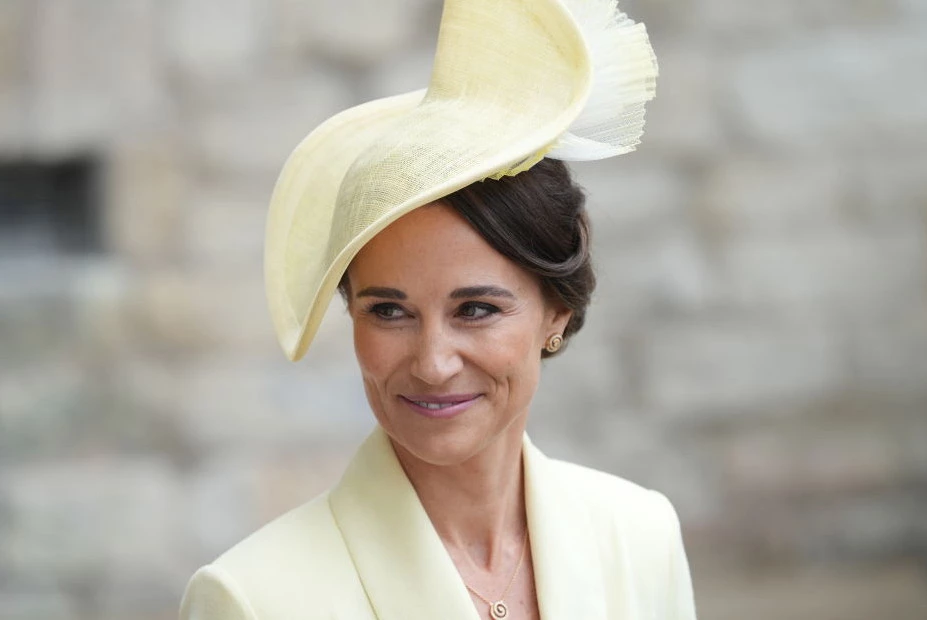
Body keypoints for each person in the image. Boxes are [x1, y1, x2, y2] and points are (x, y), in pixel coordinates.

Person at [180, 0, 696, 619]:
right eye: (388, 312)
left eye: (475, 309)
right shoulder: (253, 599)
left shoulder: (640, 538)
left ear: (556, 310)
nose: (432, 363)